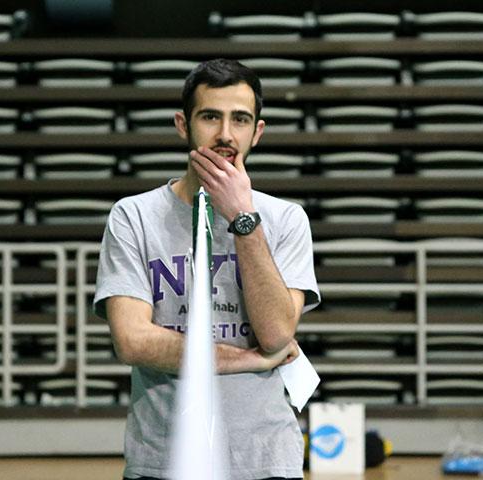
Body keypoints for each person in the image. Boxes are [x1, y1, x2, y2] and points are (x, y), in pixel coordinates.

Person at [93, 58, 321, 480]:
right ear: (184, 124)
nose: (225, 135)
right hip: (162, 459)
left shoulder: (287, 220)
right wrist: (250, 359)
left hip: (264, 460)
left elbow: (276, 333)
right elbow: (131, 341)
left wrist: (243, 219)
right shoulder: (134, 217)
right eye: (210, 117)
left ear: (258, 131)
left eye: (240, 119)